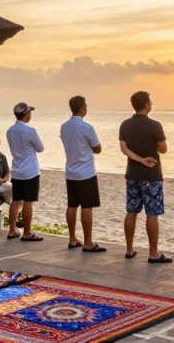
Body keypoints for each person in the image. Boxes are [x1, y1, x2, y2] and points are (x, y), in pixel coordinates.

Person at [119, 91, 171, 263]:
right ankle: (153, 252)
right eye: (151, 102)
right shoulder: (155, 125)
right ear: (146, 105)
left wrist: (139, 159)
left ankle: (129, 249)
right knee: (152, 213)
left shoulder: (125, 125)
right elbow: (163, 149)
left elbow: (124, 149)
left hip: (132, 174)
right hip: (151, 174)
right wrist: (146, 156)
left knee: (131, 211)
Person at [60, 96, 105, 252]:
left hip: (71, 171)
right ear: (81, 109)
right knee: (87, 206)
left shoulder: (64, 126)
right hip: (86, 172)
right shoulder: (87, 128)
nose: (87, 108)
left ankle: (72, 239)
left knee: (72, 205)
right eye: (85, 106)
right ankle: (88, 242)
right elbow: (97, 148)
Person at [6, 102, 45, 242]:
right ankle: (27, 232)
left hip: (16, 170)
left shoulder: (10, 131)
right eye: (29, 112)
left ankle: (12, 230)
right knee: (28, 202)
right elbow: (40, 148)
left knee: (16, 200)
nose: (30, 115)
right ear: (25, 114)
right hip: (30, 171)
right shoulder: (30, 131)